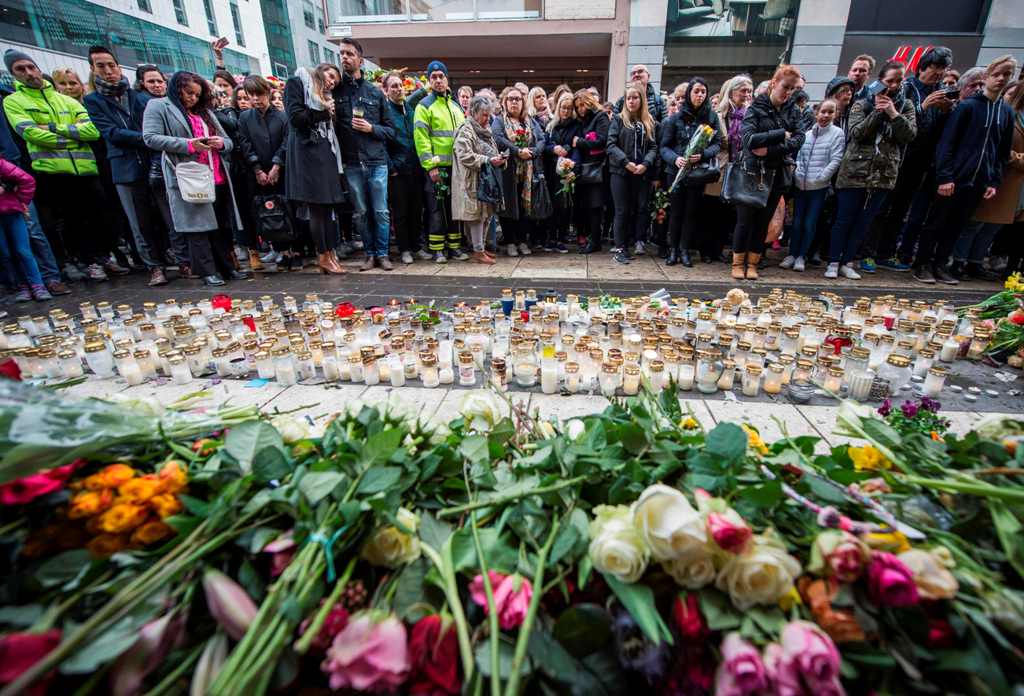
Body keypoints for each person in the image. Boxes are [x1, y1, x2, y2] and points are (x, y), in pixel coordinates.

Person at [2, 48, 120, 282]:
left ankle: (104, 257)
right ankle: (87, 262)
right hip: (53, 171)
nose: (28, 73)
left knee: (98, 215)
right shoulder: (14, 102)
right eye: (20, 69)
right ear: (13, 74)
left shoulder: (65, 100)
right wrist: (74, 137)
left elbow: (92, 131)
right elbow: (31, 134)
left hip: (85, 169)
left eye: (31, 67)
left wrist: (54, 128)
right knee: (71, 220)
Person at [913, 55, 1017, 285]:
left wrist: (993, 181)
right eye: (997, 74)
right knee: (936, 222)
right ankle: (922, 263)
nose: (1001, 79)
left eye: (1006, 75)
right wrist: (945, 176)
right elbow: (946, 144)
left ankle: (941, 264)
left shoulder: (1006, 112)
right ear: (987, 76)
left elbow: (1001, 151)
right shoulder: (968, 107)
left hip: (978, 180)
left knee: (957, 225)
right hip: (953, 178)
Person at [142, 71, 249, 286]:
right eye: (189, 93)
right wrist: (189, 144)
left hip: (215, 172)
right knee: (197, 225)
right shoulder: (159, 106)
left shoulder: (205, 112)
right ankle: (207, 270)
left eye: (197, 95)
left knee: (220, 224)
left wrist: (220, 143)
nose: (193, 98)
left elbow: (228, 141)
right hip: (188, 175)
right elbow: (150, 137)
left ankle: (227, 267)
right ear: (177, 88)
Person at [84, 45, 170, 286]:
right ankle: (154, 267)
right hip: (125, 167)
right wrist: (146, 137)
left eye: (111, 65)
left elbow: (152, 127)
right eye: (101, 66)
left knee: (166, 216)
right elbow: (111, 133)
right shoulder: (93, 101)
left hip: (153, 163)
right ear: (93, 70)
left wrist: (149, 137)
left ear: (119, 67)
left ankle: (179, 259)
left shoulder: (138, 97)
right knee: (138, 222)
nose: (108, 70)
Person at [825, 61, 916, 280]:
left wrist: (893, 113)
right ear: (880, 81)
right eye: (889, 81)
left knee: (864, 221)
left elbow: (910, 135)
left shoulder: (907, 107)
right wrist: (877, 112)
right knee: (844, 219)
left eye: (898, 81)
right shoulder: (861, 104)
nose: (893, 86)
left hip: (883, 174)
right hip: (855, 171)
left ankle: (848, 261)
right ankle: (833, 261)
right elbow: (857, 134)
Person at [866, 46, 953, 273]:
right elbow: (904, 126)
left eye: (943, 69)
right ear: (923, 67)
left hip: (921, 163)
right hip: (897, 159)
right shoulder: (908, 88)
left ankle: (885, 253)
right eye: (935, 67)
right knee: (881, 207)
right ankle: (867, 253)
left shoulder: (942, 92)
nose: (939, 73)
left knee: (900, 210)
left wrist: (948, 111)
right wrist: (924, 107)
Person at [731, 64, 805, 280]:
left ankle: (753, 262)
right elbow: (749, 141)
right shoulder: (756, 108)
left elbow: (800, 139)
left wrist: (771, 148)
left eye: (793, 89)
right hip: (753, 172)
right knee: (744, 220)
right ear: (774, 83)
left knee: (763, 222)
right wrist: (782, 133)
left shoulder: (793, 110)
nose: (789, 92)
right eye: (786, 87)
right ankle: (737, 262)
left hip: (777, 173)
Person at [332, 39, 396, 271]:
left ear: (360, 58)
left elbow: (390, 130)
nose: (345, 58)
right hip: (351, 162)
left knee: (380, 211)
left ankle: (382, 253)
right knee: (361, 212)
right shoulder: (335, 91)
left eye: (349, 54)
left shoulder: (374, 92)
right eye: (341, 54)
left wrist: (371, 129)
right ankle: (369, 254)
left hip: (376, 161)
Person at [957, 80, 1024, 280]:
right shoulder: (1006, 115)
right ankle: (959, 260)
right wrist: (1018, 158)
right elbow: (998, 147)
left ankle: (975, 262)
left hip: (1016, 184)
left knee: (993, 226)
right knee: (976, 223)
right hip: (998, 176)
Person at [283, 65, 346, 275]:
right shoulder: (297, 83)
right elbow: (295, 118)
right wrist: (323, 112)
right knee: (317, 209)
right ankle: (322, 255)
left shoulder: (325, 98)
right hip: (307, 155)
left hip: (325, 152)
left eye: (335, 81)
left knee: (328, 209)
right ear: (319, 72)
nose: (331, 82)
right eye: (329, 77)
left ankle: (330, 253)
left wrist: (328, 112)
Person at [135, 64, 190, 275]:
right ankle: (182, 260)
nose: (157, 85)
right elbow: (148, 137)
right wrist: (187, 144)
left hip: (187, 167)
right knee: (173, 217)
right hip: (162, 168)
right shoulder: (151, 105)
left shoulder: (179, 107)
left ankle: (189, 258)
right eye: (151, 81)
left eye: (159, 81)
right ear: (142, 83)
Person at [661, 78, 720, 267]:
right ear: (689, 93)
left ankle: (685, 250)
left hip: (697, 173)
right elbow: (664, 147)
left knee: (691, 213)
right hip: (676, 172)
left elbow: (717, 144)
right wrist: (674, 159)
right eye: (696, 91)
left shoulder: (711, 117)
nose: (700, 95)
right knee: (676, 212)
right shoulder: (675, 118)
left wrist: (702, 155)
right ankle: (673, 250)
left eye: (703, 91)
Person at [781, 99, 845, 272]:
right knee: (797, 222)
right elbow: (799, 157)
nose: (825, 115)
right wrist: (797, 174)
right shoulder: (808, 135)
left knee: (810, 223)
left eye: (830, 112)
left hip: (818, 187)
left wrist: (821, 177)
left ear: (835, 114)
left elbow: (836, 159)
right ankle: (792, 254)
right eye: (823, 111)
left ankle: (802, 255)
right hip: (800, 185)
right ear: (816, 113)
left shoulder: (837, 134)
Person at [414, 59, 466, 263]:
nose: (438, 80)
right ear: (429, 81)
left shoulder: (455, 106)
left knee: (454, 208)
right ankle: (437, 250)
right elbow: (421, 138)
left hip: (457, 169)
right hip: (437, 168)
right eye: (433, 77)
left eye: (441, 76)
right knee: (436, 208)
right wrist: (431, 166)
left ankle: (454, 247)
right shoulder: (424, 106)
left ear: (446, 79)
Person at [237, 75, 290, 270]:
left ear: (267, 92)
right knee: (261, 211)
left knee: (282, 210)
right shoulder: (245, 118)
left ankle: (285, 250)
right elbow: (245, 143)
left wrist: (276, 165)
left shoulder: (282, 117)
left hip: (280, 171)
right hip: (256, 173)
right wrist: (257, 169)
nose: (256, 99)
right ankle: (268, 247)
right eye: (251, 95)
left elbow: (286, 143)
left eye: (259, 94)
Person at [491, 86, 546, 257]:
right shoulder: (500, 121)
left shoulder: (530, 121)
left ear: (523, 102)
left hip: (528, 172)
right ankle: (510, 242)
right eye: (511, 99)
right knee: (508, 208)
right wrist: (517, 151)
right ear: (505, 102)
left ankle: (522, 240)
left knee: (524, 207)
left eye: (518, 99)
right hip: (508, 171)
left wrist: (533, 152)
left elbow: (542, 139)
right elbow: (498, 138)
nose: (514, 102)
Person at [383, 72, 430, 265]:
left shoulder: (410, 109)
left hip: (415, 168)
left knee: (415, 210)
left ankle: (417, 246)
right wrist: (392, 166)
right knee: (400, 213)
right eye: (393, 86)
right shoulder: (385, 112)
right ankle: (404, 249)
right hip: (398, 170)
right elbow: (382, 142)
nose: (398, 89)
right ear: (385, 91)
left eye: (400, 85)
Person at [608, 82, 657, 265]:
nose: (631, 101)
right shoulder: (618, 119)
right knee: (621, 210)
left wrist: (646, 163)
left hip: (640, 173)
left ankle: (631, 243)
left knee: (637, 209)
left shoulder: (648, 121)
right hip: (620, 172)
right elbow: (611, 145)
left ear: (641, 100)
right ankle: (620, 248)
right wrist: (626, 162)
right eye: (628, 98)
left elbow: (653, 146)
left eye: (635, 98)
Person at [453, 95, 504, 265]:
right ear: (473, 112)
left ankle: (479, 248)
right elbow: (465, 156)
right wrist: (488, 160)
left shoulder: (483, 129)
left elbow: (489, 150)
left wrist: (499, 158)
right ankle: (478, 250)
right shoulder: (465, 130)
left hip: (482, 180)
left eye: (489, 115)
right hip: (471, 180)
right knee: (475, 216)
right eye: (484, 114)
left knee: (484, 214)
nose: (487, 118)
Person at [0, 154, 50, 300]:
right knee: (5, 253)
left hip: (12, 213)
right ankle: (22, 286)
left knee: (23, 250)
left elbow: (27, 180)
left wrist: (21, 201)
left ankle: (38, 285)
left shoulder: (2, 164)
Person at [572, 88, 609, 254]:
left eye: (583, 105)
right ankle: (589, 238)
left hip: (597, 169)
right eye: (578, 106)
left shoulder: (600, 117)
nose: (581, 109)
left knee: (595, 206)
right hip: (584, 170)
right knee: (585, 206)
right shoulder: (582, 121)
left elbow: (602, 141)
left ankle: (595, 241)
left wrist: (579, 142)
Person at [544, 93, 580, 254]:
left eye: (569, 108)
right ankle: (551, 237)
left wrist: (573, 167)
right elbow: (544, 146)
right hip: (551, 170)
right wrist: (553, 149)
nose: (565, 111)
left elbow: (576, 148)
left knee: (564, 206)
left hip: (567, 170)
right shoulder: (551, 125)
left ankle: (561, 238)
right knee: (552, 204)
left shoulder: (576, 126)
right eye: (563, 108)